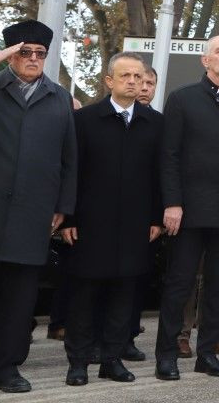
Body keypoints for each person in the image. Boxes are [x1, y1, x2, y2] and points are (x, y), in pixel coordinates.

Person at [0, 20, 77, 395]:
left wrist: (65, 207)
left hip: (32, 217)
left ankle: (5, 369)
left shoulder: (59, 98)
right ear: (10, 55)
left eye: (39, 54)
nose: (32, 59)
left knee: (18, 304)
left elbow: (69, 160)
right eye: (24, 52)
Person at [155, 36, 219, 382]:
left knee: (217, 286)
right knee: (180, 283)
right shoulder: (183, 99)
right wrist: (172, 202)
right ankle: (167, 354)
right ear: (205, 60)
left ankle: (207, 353)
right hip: (188, 211)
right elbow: (168, 156)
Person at [61, 52, 162, 387]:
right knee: (84, 296)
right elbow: (70, 171)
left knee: (124, 296)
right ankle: (78, 362)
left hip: (135, 225)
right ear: (109, 81)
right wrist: (68, 217)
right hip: (90, 224)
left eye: (137, 76)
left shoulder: (154, 122)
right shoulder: (86, 120)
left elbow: (160, 174)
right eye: (125, 76)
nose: (132, 81)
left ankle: (112, 360)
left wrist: (156, 218)